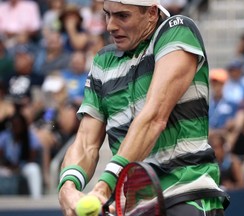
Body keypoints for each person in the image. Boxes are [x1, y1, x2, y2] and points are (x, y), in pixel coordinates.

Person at [58, 1, 229, 216]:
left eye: (122, 16)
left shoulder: (177, 31)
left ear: (151, 13)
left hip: (185, 195)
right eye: (107, 15)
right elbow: (85, 143)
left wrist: (104, 186)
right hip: (132, 208)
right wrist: (68, 186)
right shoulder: (102, 61)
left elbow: (154, 117)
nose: (110, 25)